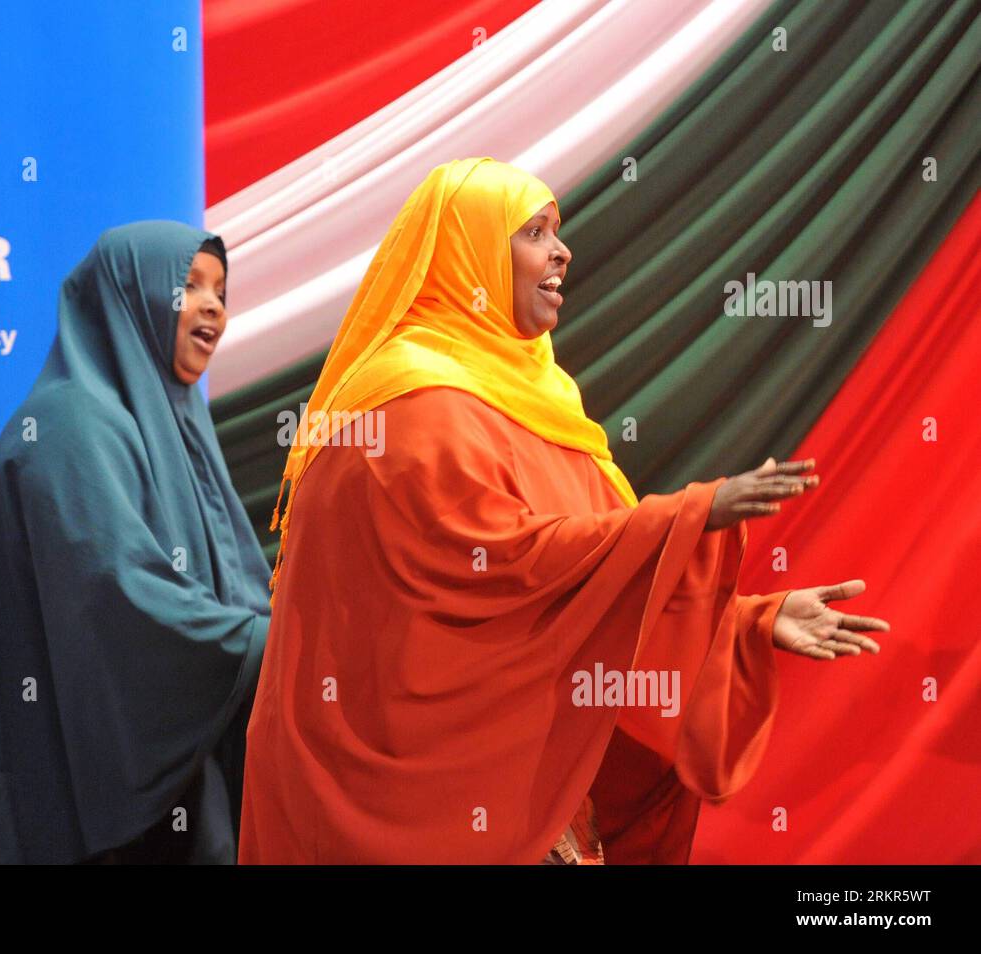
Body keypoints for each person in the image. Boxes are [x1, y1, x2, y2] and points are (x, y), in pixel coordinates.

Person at [239, 158, 890, 864]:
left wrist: (749, 620)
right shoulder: (410, 404)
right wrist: (692, 513)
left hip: (519, 791)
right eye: (534, 232)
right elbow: (506, 569)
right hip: (418, 802)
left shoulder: (537, 399)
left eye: (559, 231)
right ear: (470, 252)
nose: (562, 251)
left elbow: (595, 577)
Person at [0, 221, 271, 864]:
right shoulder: (69, 423)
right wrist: (259, 646)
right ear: (129, 296)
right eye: (187, 286)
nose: (213, 304)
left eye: (221, 289)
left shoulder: (175, 426)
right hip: (22, 797)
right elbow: (117, 601)